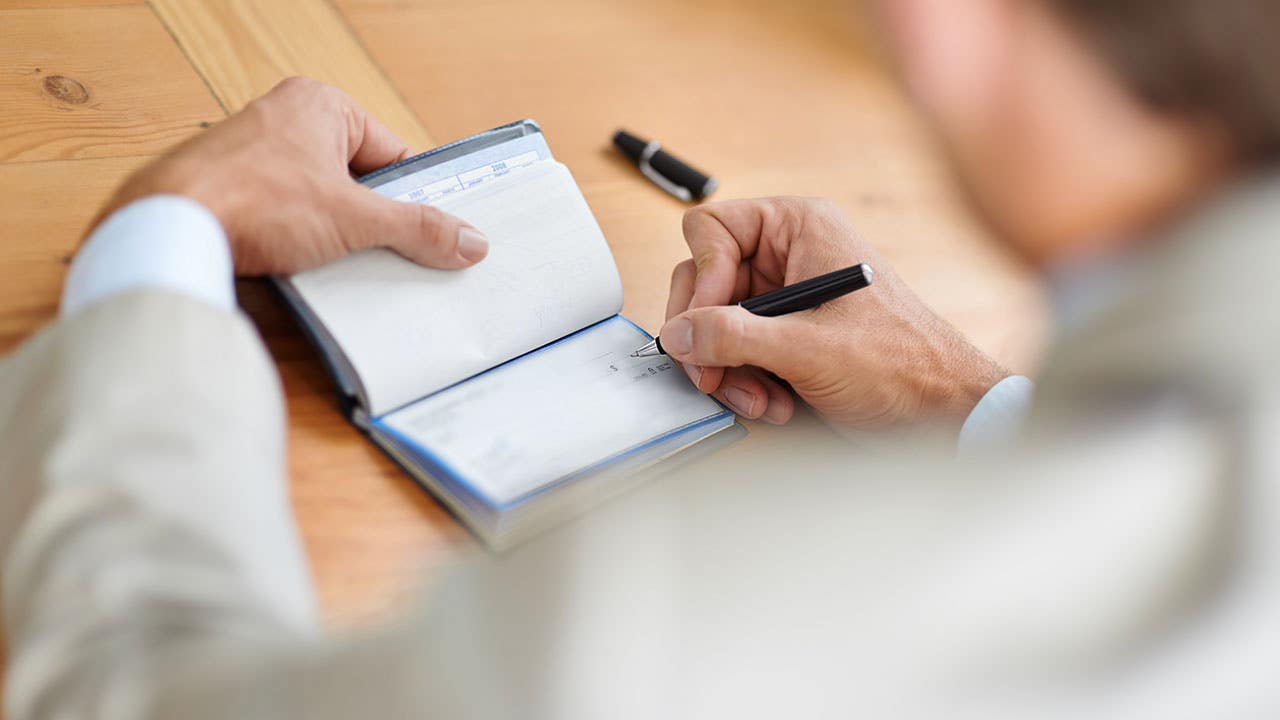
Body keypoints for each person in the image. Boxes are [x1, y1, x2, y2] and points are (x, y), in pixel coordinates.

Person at [3, 0, 1279, 717]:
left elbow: (134, 691)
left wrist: (163, 240)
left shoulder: (660, 626)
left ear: (939, 25)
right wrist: (964, 400)